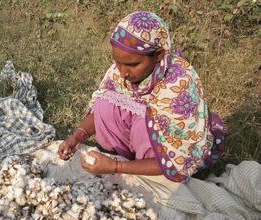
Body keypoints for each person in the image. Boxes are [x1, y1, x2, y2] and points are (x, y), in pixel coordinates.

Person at [58, 11, 225, 182]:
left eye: (132, 65)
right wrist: (77, 137)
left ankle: (140, 165)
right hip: (143, 141)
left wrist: (116, 167)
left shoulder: (178, 84)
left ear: (159, 55)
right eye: (117, 62)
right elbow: (100, 110)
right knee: (104, 104)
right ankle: (136, 160)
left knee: (143, 124)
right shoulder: (122, 71)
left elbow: (180, 160)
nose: (123, 73)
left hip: (174, 158)